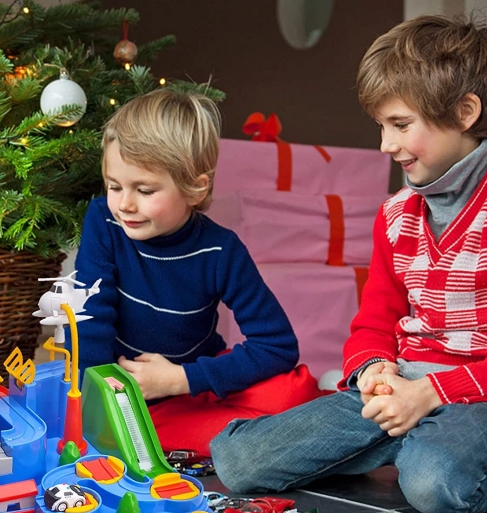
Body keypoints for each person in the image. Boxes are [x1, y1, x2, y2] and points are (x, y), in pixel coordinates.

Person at [210, 14, 487, 513]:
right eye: (381, 126)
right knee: (237, 458)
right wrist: (375, 368)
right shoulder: (395, 214)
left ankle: (428, 448)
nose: (385, 145)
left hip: (476, 396)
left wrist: (434, 392)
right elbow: (374, 320)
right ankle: (415, 442)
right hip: (404, 385)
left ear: (465, 112)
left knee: (434, 484)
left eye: (401, 125)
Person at [68, 89, 321, 456]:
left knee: (295, 390)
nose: (124, 203)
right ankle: (191, 436)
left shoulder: (222, 250)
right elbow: (91, 320)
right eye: (114, 186)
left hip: (192, 383)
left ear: (195, 188)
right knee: (103, 412)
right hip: (129, 392)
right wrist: (102, 403)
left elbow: (278, 346)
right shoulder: (104, 221)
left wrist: (179, 379)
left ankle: (196, 433)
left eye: (144, 189)